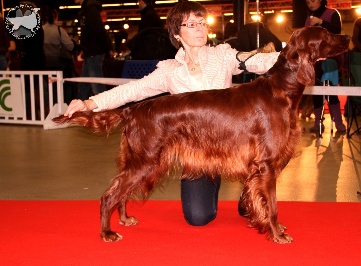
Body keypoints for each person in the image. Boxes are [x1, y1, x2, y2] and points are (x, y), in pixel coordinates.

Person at [64, 1, 280, 226]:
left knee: (264, 159)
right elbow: (133, 90)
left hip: (233, 145)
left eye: (202, 23)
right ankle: (214, 183)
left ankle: (250, 192)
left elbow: (259, 61)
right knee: (198, 217)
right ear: (177, 33)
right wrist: (89, 103)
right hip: (197, 153)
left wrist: (295, 53)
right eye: (192, 24)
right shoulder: (169, 70)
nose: (200, 28)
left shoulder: (222, 55)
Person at [305, 0, 346, 133]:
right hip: (315, 60)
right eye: (307, 2)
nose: (310, 4)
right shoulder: (308, 19)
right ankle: (318, 122)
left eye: (312, 0)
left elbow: (337, 30)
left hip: (330, 59)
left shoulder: (332, 13)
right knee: (316, 91)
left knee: (330, 90)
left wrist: (321, 22)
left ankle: (338, 122)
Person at [74, 0, 113, 100]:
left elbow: (98, 30)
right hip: (91, 52)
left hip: (93, 51)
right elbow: (99, 29)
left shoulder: (90, 9)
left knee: (96, 87)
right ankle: (79, 110)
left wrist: (107, 48)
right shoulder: (89, 8)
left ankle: (105, 111)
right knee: (85, 86)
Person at [42, 7, 76, 103]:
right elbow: (70, 47)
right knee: (60, 87)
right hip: (59, 65)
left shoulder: (41, 30)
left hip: (45, 65)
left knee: (47, 88)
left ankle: (48, 106)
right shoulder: (59, 30)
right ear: (56, 17)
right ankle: (61, 104)